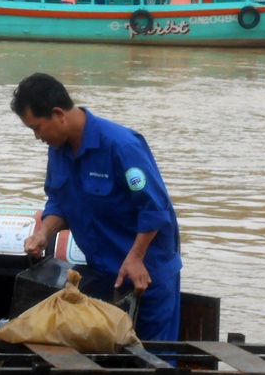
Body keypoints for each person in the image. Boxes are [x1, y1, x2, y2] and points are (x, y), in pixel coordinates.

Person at [12, 73, 183, 342]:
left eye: (37, 127)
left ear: (59, 114)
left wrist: (137, 256)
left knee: (152, 365)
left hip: (146, 277)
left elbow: (154, 208)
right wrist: (44, 232)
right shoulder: (58, 150)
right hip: (103, 277)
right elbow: (59, 201)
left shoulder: (121, 146)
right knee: (107, 365)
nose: (36, 137)